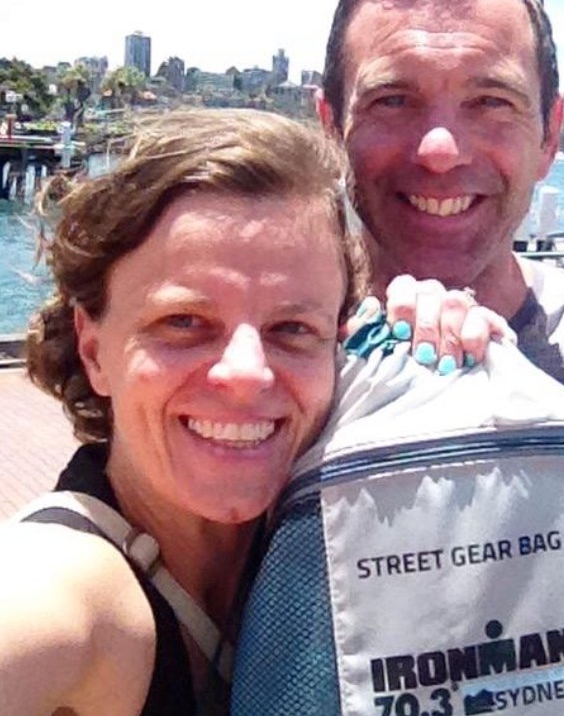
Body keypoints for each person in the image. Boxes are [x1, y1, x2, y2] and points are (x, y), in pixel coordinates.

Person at [0, 109, 502, 715]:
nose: (247, 373)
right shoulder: (63, 589)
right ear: (93, 350)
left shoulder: (319, 546)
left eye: (293, 328)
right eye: (182, 322)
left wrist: (441, 359)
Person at [317, 0, 564, 394]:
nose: (441, 151)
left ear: (549, 136)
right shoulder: (264, 362)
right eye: (392, 100)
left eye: (491, 101)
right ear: (331, 130)